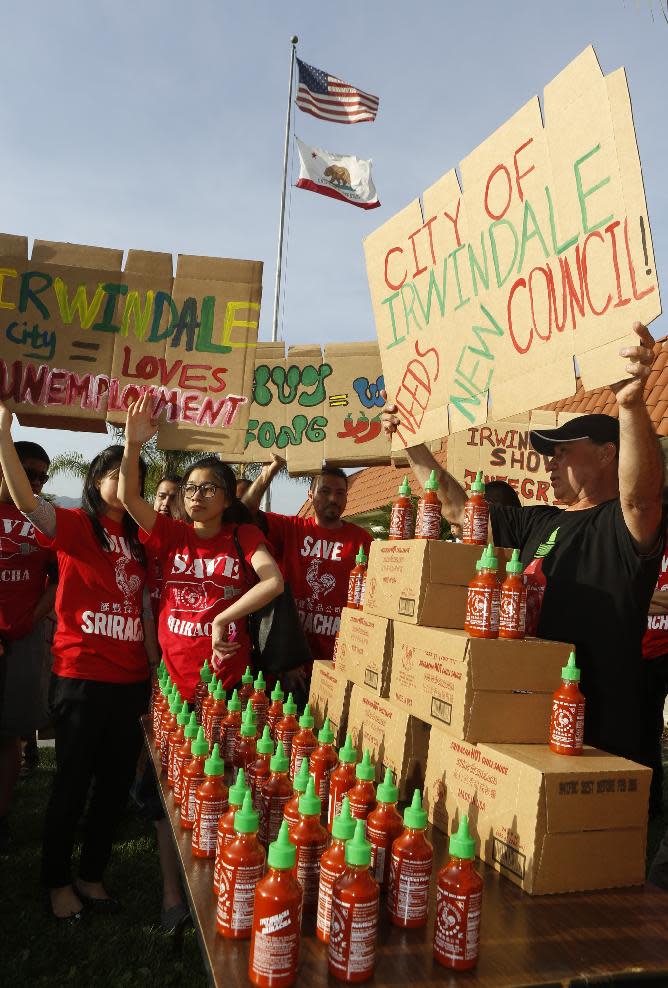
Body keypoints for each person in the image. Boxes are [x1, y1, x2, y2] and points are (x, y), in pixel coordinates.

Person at [381, 321, 664, 767]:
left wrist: (629, 406)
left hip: (600, 735)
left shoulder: (622, 523)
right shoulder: (539, 522)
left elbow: (641, 497)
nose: (551, 463)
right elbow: (458, 512)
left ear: (608, 454)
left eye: (564, 451)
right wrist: (413, 446)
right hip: (527, 723)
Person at [0, 403, 151, 921]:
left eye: (133, 476)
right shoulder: (71, 526)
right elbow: (23, 499)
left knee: (112, 786)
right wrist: (3, 431)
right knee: (71, 782)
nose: (126, 480)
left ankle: (92, 875)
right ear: (95, 480)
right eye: (115, 472)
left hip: (130, 681)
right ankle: (57, 882)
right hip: (80, 678)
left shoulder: (142, 540)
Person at [119, 392, 284, 700]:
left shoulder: (243, 536)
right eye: (191, 488)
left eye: (209, 489)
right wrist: (133, 443)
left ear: (227, 499)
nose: (197, 496)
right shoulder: (172, 533)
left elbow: (273, 581)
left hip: (226, 679)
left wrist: (221, 619)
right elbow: (128, 498)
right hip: (174, 679)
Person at [242, 458, 372, 698]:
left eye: (340, 493)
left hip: (338, 664)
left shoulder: (362, 540)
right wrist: (268, 473)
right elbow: (243, 514)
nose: (333, 498)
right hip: (290, 665)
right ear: (310, 494)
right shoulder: (290, 528)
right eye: (325, 491)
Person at [0, 441, 57, 853]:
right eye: (28, 472)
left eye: (41, 476)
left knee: (11, 736)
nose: (34, 482)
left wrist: (29, 622)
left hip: (23, 641)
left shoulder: (42, 518)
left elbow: (56, 583)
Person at [641, 497, 668, 816]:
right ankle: (651, 803)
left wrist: (645, 598)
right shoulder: (644, 548)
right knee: (647, 731)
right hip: (644, 652)